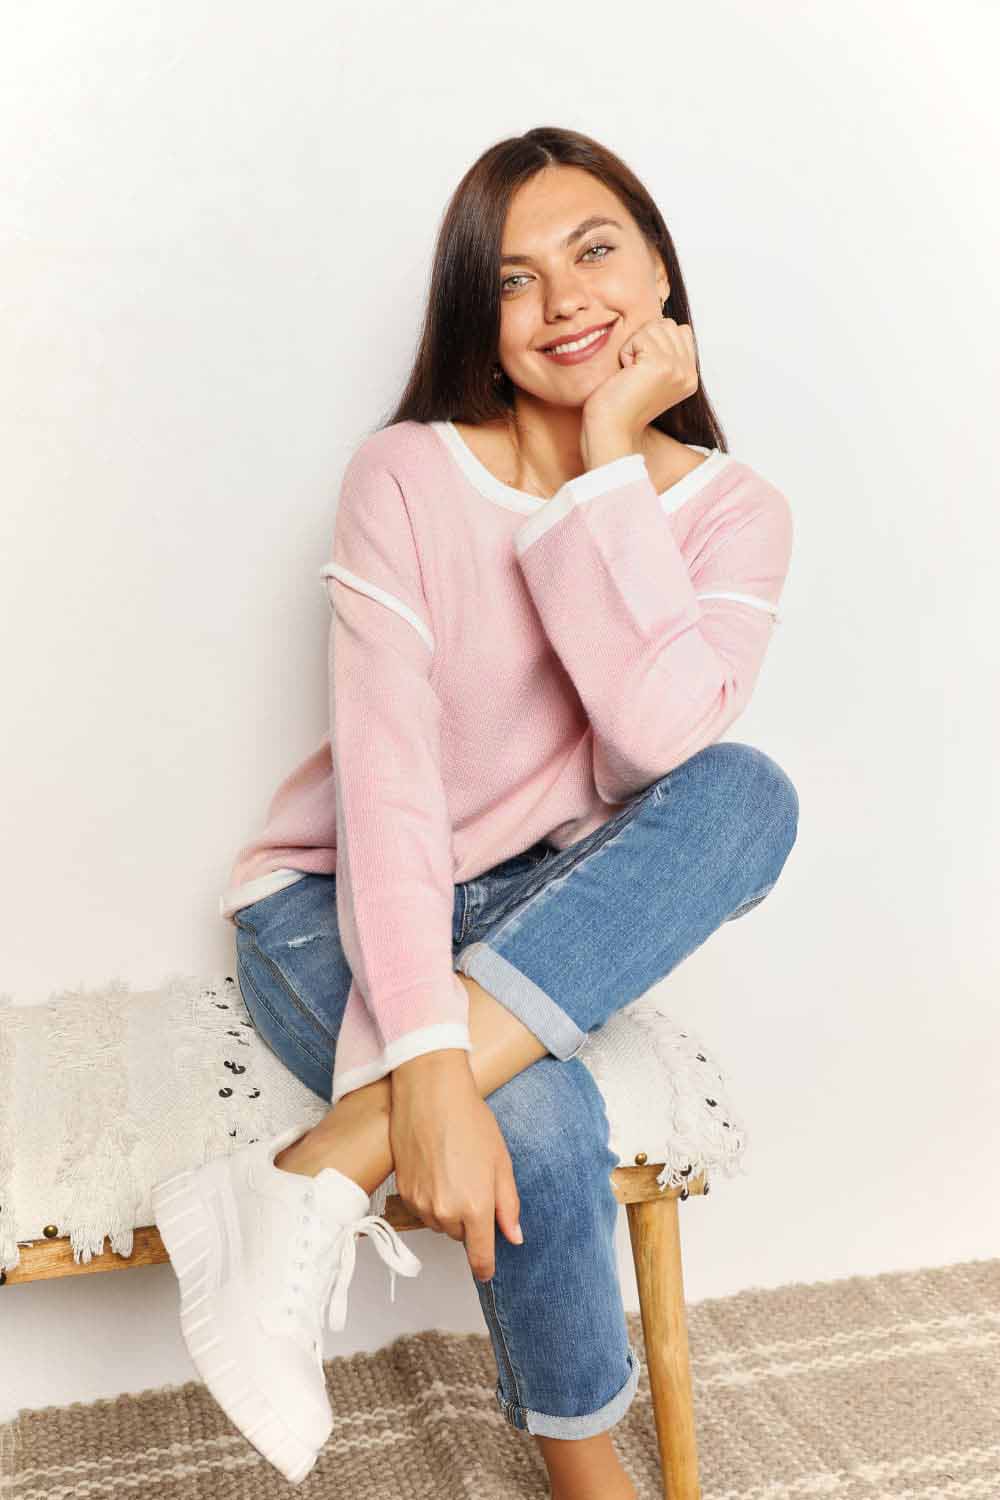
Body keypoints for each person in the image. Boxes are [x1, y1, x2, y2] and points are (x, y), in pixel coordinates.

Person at [153, 125, 799, 1498]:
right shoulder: (405, 472)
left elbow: (658, 743)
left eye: (596, 249)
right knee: (543, 1113)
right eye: (515, 279)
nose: (566, 301)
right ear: (474, 315)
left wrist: (609, 466)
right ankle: (590, 1476)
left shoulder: (735, 512)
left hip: (533, 900)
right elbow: (387, 791)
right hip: (331, 900)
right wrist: (434, 1072)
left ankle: (319, 1166)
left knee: (747, 795)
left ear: (662, 268)